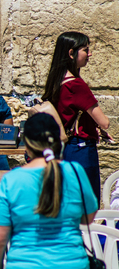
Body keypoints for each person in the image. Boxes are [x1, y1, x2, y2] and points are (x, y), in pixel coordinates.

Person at [0, 113, 97, 269]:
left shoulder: (11, 180)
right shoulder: (75, 171)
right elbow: (87, 218)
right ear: (58, 142)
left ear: (26, 144)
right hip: (72, 263)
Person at [41, 31, 112, 205]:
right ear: (71, 53)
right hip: (81, 150)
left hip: (64, 148)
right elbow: (105, 122)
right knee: (87, 204)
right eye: (85, 50)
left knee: (68, 202)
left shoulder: (56, 80)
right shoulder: (76, 85)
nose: (90, 54)